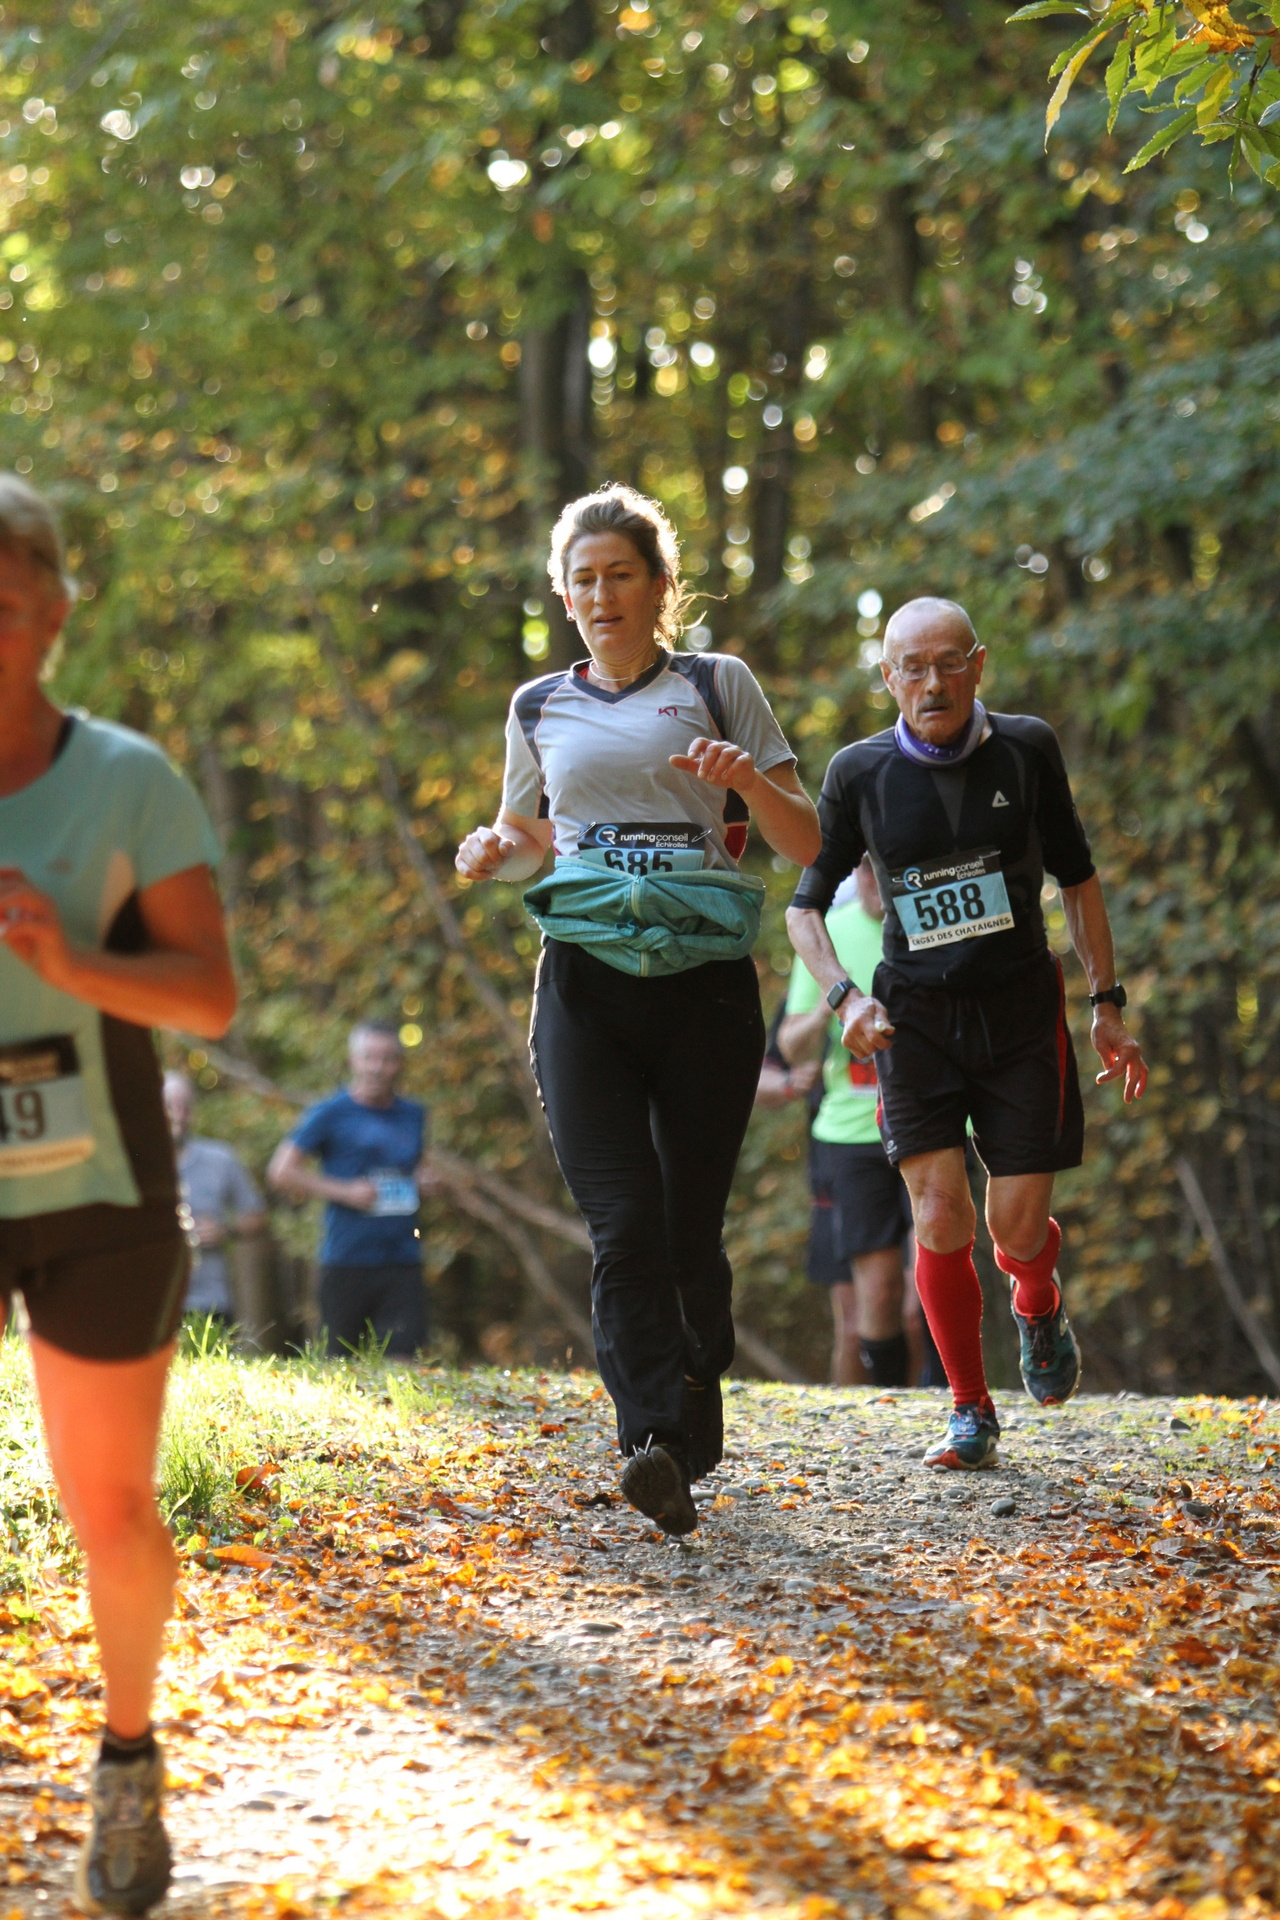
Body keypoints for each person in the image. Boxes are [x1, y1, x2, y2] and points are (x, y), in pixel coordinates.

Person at [455, 484, 820, 1535]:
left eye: (621, 574)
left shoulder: (716, 682)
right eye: (583, 579)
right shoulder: (537, 705)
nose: (601, 594)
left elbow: (808, 842)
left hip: (704, 986)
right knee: (622, 1223)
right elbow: (530, 838)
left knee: (686, 1231)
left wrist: (747, 779)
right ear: (562, 594)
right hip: (584, 982)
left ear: (660, 587)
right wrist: (491, 850)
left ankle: (693, 1387)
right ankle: (651, 1444)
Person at [0, 475, 235, 1912]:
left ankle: (128, 1761)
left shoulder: (129, 780)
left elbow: (207, 998)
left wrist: (72, 961)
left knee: (111, 1505)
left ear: (55, 615)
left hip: (99, 1182)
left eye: (4, 604)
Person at [787, 596, 1148, 1470]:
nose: (934, 683)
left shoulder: (1027, 748)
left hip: (1020, 1013)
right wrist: (844, 999)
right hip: (914, 1020)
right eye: (913, 667)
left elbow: (1078, 881)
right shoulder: (858, 771)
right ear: (889, 678)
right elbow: (804, 908)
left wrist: (1106, 1005)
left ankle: (1035, 1300)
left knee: (1016, 1230)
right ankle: (969, 1407)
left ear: (978, 665)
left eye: (950, 662)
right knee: (939, 1211)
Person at [781, 857, 939, 1389]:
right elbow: (788, 1045)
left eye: (889, 868)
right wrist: (836, 1003)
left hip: (932, 1124)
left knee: (923, 1300)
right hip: (851, 1134)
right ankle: (889, 1407)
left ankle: (951, 1404)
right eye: (868, 870)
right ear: (856, 876)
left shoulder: (935, 921)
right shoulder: (827, 934)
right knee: (879, 1296)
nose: (878, 881)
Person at [267, 1021, 433, 1358]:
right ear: (353, 1060)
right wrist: (346, 1192)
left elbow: (417, 1166)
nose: (378, 1068)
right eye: (369, 1057)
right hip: (347, 1258)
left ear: (399, 1064)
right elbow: (281, 1172)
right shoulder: (330, 1112)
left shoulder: (413, 1114)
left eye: (387, 1059)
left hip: (403, 1257)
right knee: (342, 1365)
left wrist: (427, 1180)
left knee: (404, 1363)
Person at [162, 1071, 266, 1328]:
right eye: (169, 1106)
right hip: (153, 1304)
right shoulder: (132, 1166)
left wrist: (225, 1229)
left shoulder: (220, 1158)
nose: (178, 1115)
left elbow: (258, 1217)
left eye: (185, 1107)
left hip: (210, 1301)